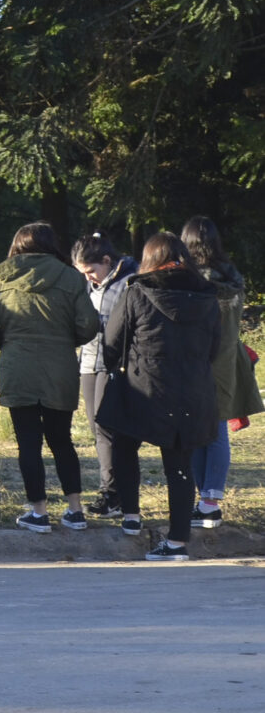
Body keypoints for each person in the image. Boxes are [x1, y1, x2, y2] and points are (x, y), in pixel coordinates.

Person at [98, 232, 223, 560]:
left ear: (150, 259)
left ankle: (131, 516)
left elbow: (113, 341)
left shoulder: (137, 291)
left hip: (142, 387)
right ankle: (178, 541)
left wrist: (117, 367)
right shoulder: (207, 296)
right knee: (179, 467)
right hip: (191, 390)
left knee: (124, 443)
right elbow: (215, 348)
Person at [0, 221, 99, 533]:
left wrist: (8, 344)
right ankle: (75, 510)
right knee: (62, 440)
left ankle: (38, 512)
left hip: (18, 368)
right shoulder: (70, 276)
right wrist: (65, 341)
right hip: (60, 368)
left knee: (28, 443)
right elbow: (88, 325)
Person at [181, 217, 263, 529]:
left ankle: (207, 504)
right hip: (226, 360)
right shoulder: (232, 276)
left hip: (197, 361)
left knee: (199, 432)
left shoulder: (193, 281)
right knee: (215, 430)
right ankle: (208, 502)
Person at [74, 234, 138, 522]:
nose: (88, 278)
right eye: (82, 273)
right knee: (97, 428)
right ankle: (111, 492)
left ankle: (113, 493)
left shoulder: (129, 281)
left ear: (107, 261)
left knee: (108, 428)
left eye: (91, 271)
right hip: (89, 361)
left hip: (116, 364)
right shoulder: (89, 285)